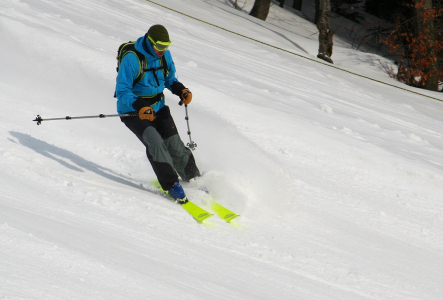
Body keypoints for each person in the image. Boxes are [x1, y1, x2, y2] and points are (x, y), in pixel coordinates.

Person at [115, 24, 200, 202]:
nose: (162, 50)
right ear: (149, 41)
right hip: (133, 111)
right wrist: (140, 106)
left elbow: (169, 79)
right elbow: (122, 91)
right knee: (156, 142)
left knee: (175, 144)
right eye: (159, 46)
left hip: (158, 107)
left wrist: (181, 90)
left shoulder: (164, 55)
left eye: (166, 46)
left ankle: (193, 178)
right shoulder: (132, 59)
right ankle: (171, 185)